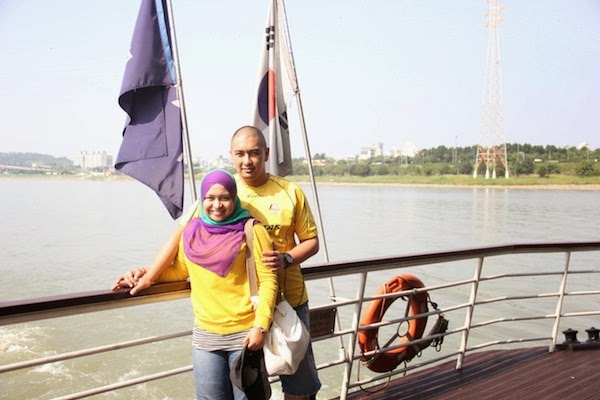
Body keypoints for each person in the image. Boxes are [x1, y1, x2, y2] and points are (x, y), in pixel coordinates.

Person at [112, 169, 278, 400]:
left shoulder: (252, 230)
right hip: (206, 334)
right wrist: (144, 273)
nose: (217, 205)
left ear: (234, 198)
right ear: (201, 199)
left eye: (224, 198)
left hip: (245, 334)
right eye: (210, 198)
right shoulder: (192, 230)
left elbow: (268, 280)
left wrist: (261, 327)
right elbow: (180, 271)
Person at [230, 125, 321, 400]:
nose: (247, 160)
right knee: (248, 387)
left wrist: (287, 258)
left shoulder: (289, 191)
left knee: (298, 386)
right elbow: (187, 235)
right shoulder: (224, 193)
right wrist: (149, 272)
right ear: (231, 156)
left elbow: (312, 241)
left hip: (289, 302)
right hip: (245, 309)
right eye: (240, 154)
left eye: (254, 153)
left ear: (267, 153)